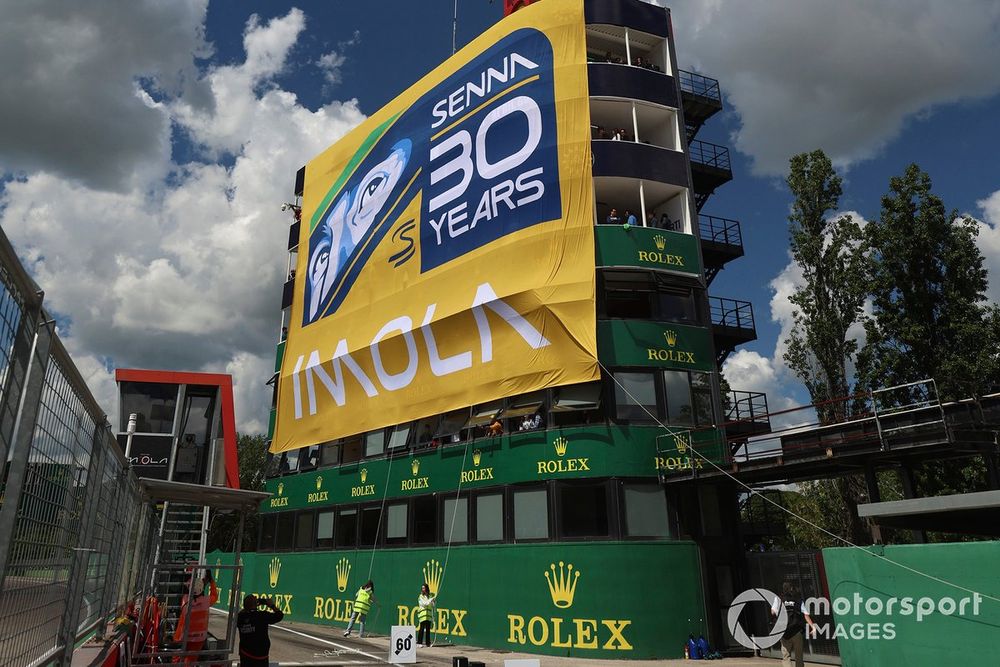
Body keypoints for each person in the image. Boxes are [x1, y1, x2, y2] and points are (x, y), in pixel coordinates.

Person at [172, 569, 218, 663]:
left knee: (177, 660)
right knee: (189, 661)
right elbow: (214, 595)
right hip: (198, 638)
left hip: (184, 636)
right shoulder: (206, 601)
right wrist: (211, 581)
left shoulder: (185, 600)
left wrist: (201, 583)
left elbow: (191, 591)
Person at [771, 582, 816, 667]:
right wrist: (813, 627)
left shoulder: (778, 599)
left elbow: (772, 612)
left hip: (784, 632)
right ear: (792, 589)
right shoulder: (798, 600)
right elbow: (806, 615)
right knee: (799, 656)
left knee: (786, 656)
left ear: (783, 590)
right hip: (796, 631)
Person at [237, 594, 283, 667]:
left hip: (245, 656)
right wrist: (271, 605)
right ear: (256, 604)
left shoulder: (240, 617)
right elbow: (279, 615)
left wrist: (252, 605)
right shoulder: (262, 615)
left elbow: (244, 610)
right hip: (260, 658)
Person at [416, 583, 436, 648]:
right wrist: (430, 600)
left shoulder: (430, 596)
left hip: (428, 616)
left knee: (428, 630)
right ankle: (419, 643)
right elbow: (425, 604)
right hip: (422, 615)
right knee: (421, 629)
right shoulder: (420, 596)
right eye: (422, 588)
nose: (423, 589)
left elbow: (432, 605)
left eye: (424, 588)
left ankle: (428, 643)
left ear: (426, 588)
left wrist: (433, 601)